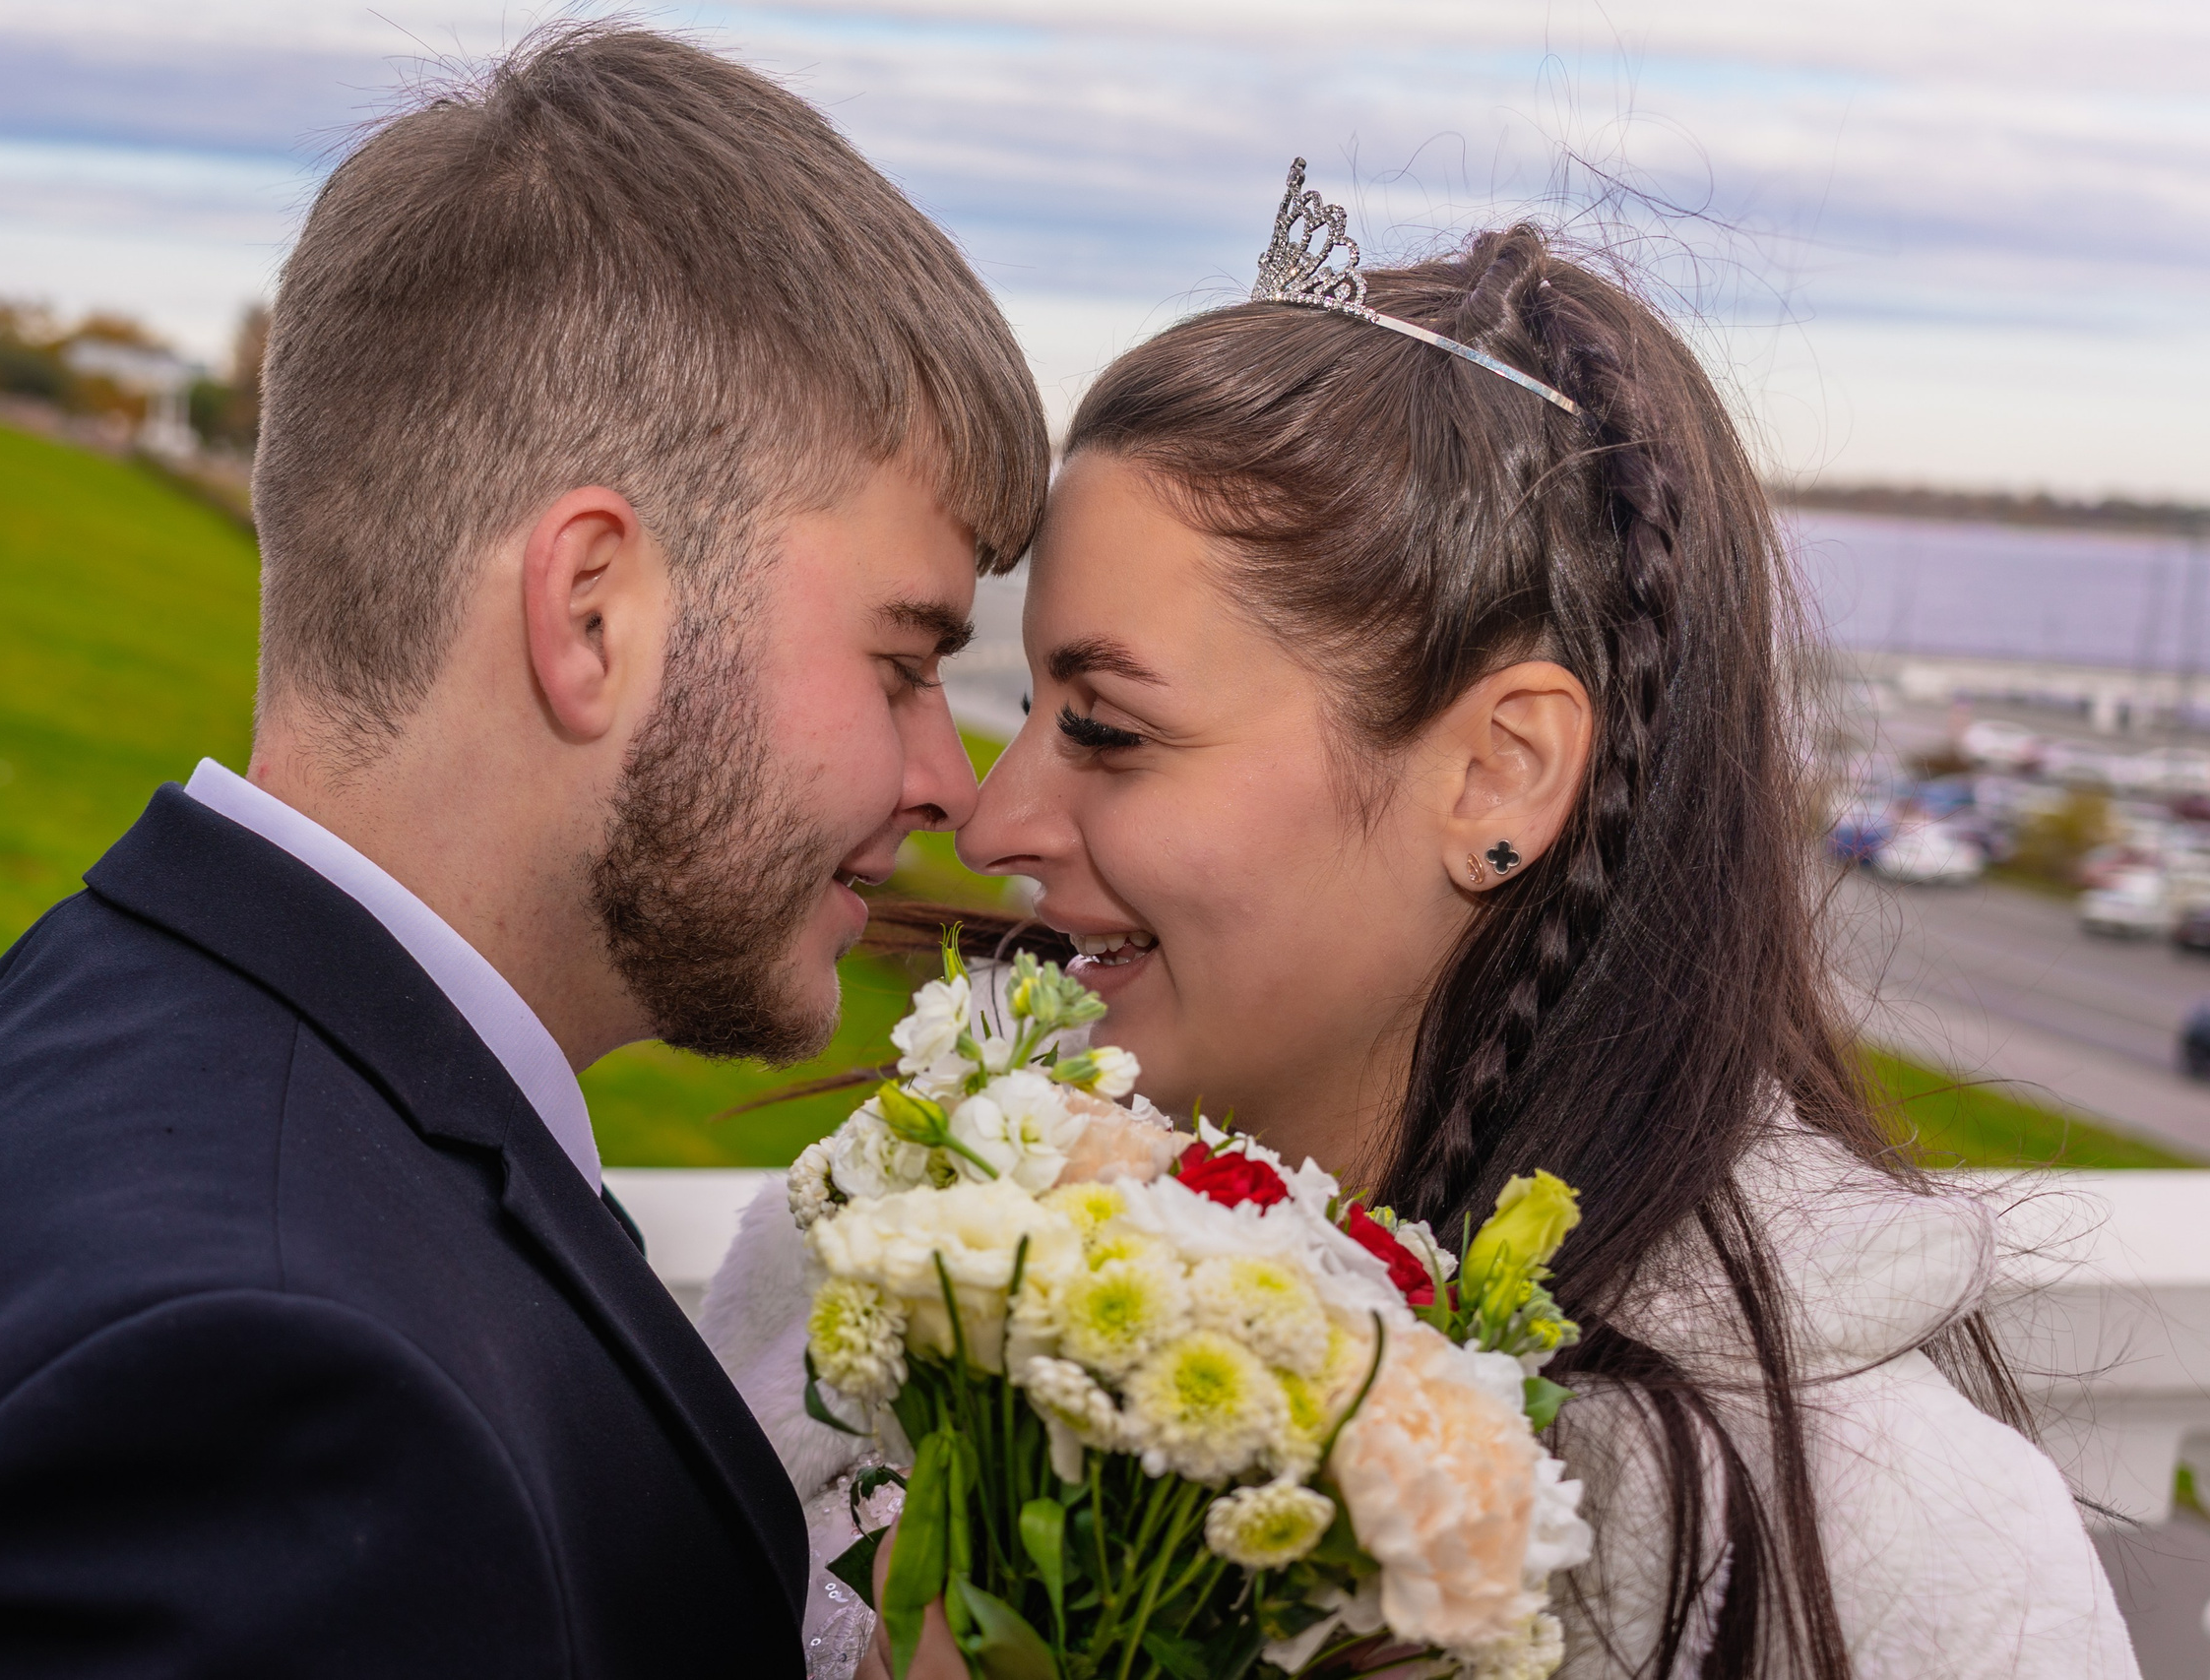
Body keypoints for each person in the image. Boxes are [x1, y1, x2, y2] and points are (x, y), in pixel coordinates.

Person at [0, 24, 1044, 1677]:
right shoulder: (268, 1405)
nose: (949, 782)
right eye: (906, 662)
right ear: (592, 611)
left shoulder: (127, 1017)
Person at [707, 162, 2138, 1677]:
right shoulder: (885, 1290)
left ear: (1496, 775)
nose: (993, 821)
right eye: (1027, 699)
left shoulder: (1889, 1559)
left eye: (1110, 728)